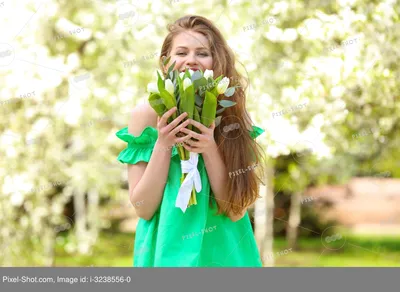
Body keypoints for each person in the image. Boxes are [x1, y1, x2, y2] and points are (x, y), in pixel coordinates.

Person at [115, 15, 266, 267]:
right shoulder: (146, 114)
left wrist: (209, 148)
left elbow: (235, 209)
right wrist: (163, 144)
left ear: (217, 62)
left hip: (224, 253)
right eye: (181, 52)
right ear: (166, 63)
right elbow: (142, 208)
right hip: (166, 250)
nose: (191, 60)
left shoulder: (232, 115)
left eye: (203, 53)